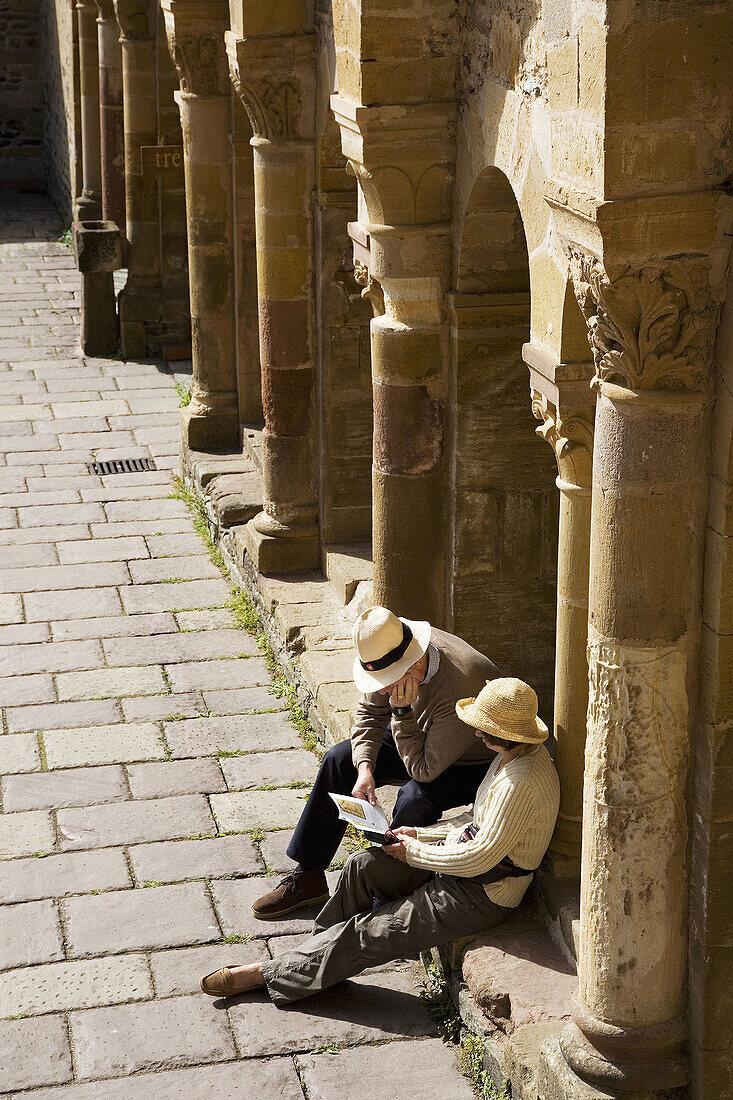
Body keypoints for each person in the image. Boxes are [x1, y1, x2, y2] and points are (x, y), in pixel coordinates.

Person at [200, 677, 560, 1002]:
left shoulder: (521, 783)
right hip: (459, 862)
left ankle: (267, 974)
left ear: (505, 733)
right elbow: (475, 821)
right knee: (362, 867)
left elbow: (479, 857)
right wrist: (420, 834)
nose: (477, 735)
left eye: (483, 729)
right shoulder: (509, 758)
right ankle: (314, 961)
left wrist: (413, 853)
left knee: (370, 932)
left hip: (481, 893)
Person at [250, 605, 500, 920]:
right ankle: (309, 876)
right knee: (340, 760)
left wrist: (399, 712)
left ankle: (387, 891)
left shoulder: (461, 685)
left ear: (417, 661)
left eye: (386, 680)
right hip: (417, 732)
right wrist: (365, 767)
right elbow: (369, 714)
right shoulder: (393, 648)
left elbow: (423, 771)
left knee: (413, 798)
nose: (381, 689)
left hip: (468, 760)